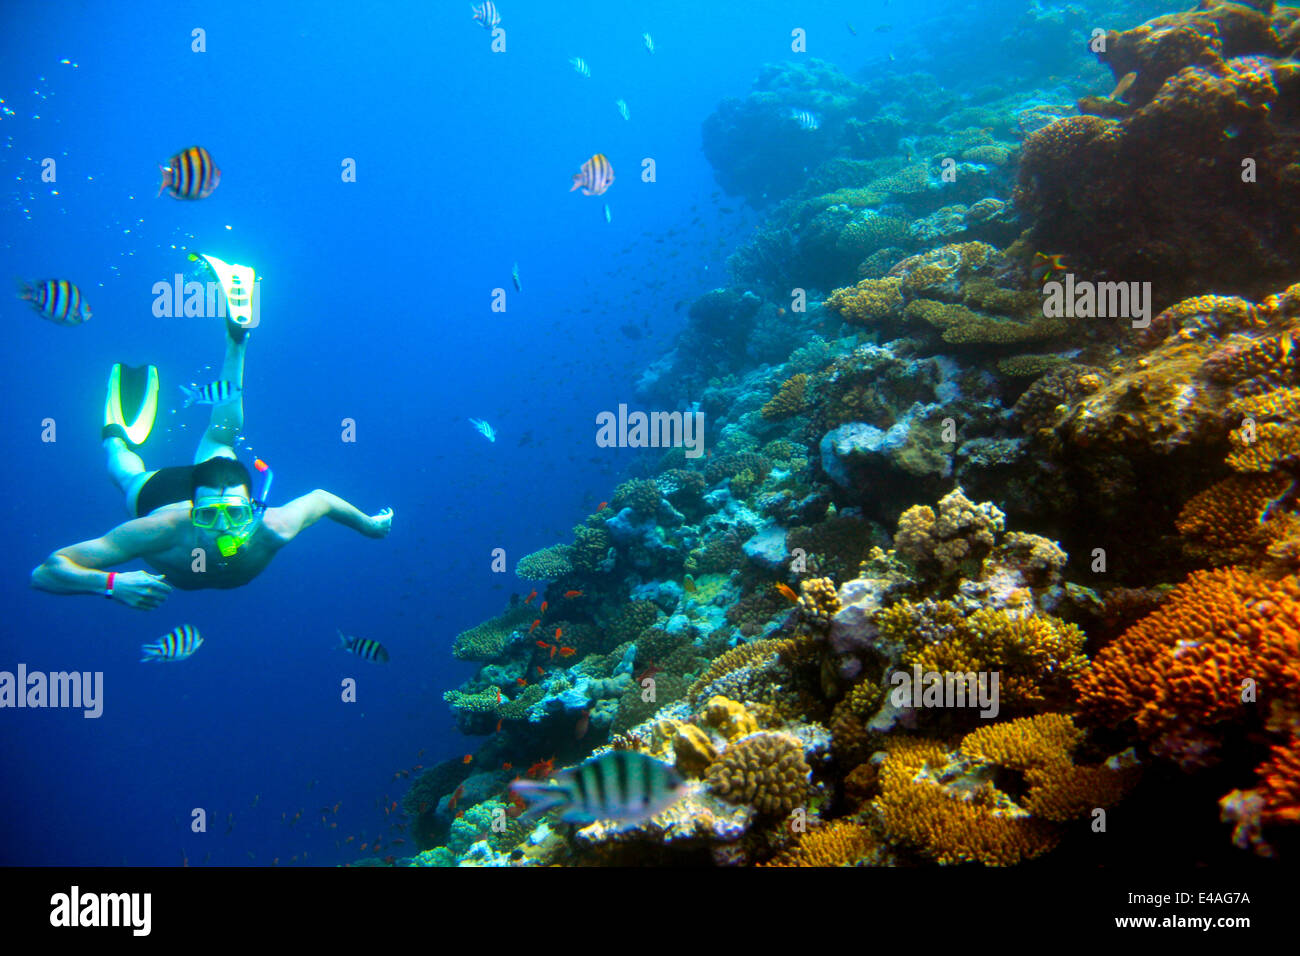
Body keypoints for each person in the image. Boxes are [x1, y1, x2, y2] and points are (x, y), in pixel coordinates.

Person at [30, 255, 393, 609]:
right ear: (191, 511)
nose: (220, 528)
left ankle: (236, 341)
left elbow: (323, 499)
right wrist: (111, 583)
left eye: (234, 515)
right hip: (158, 496)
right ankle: (117, 435)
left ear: (254, 510)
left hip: (209, 484)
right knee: (129, 473)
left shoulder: (275, 526)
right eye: (206, 516)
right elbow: (44, 572)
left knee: (220, 440)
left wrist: (370, 527)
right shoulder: (158, 529)